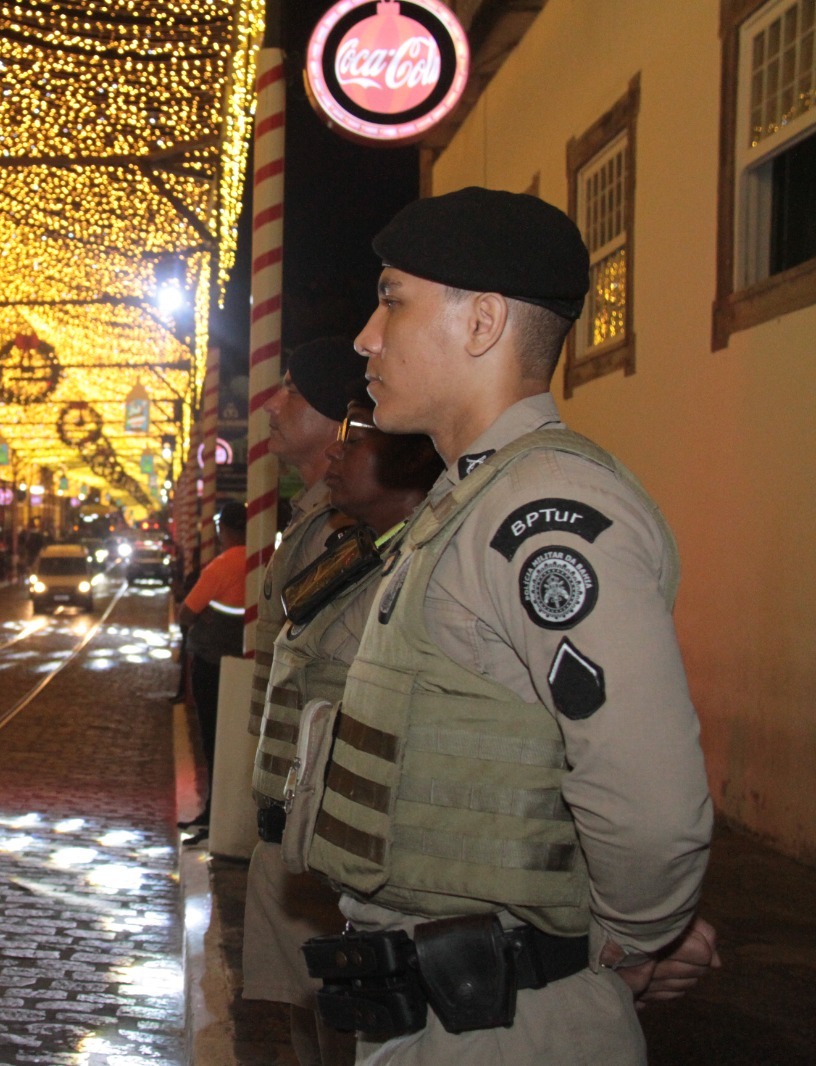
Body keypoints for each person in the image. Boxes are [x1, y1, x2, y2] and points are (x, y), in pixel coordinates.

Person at [301, 187, 718, 1063]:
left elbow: (647, 800)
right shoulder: (468, 500)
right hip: (441, 1010)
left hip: (506, 1020)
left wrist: (633, 939)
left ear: (483, 322)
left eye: (391, 301)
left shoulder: (545, 512)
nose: (366, 338)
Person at [245, 400, 444, 1066]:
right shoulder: (360, 552)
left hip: (362, 855)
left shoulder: (421, 571)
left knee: (346, 1026)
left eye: (355, 441)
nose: (336, 452)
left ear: (411, 463)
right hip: (310, 836)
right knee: (317, 1017)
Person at [250, 338, 372, 738]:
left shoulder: (344, 524)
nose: (271, 405)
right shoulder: (312, 514)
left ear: (336, 420)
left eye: (292, 391)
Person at [175, 499, 248, 844]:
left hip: (213, 664)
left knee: (212, 738)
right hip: (247, 662)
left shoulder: (221, 566)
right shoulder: (264, 559)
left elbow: (186, 613)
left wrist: (206, 616)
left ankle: (215, 812)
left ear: (223, 530)